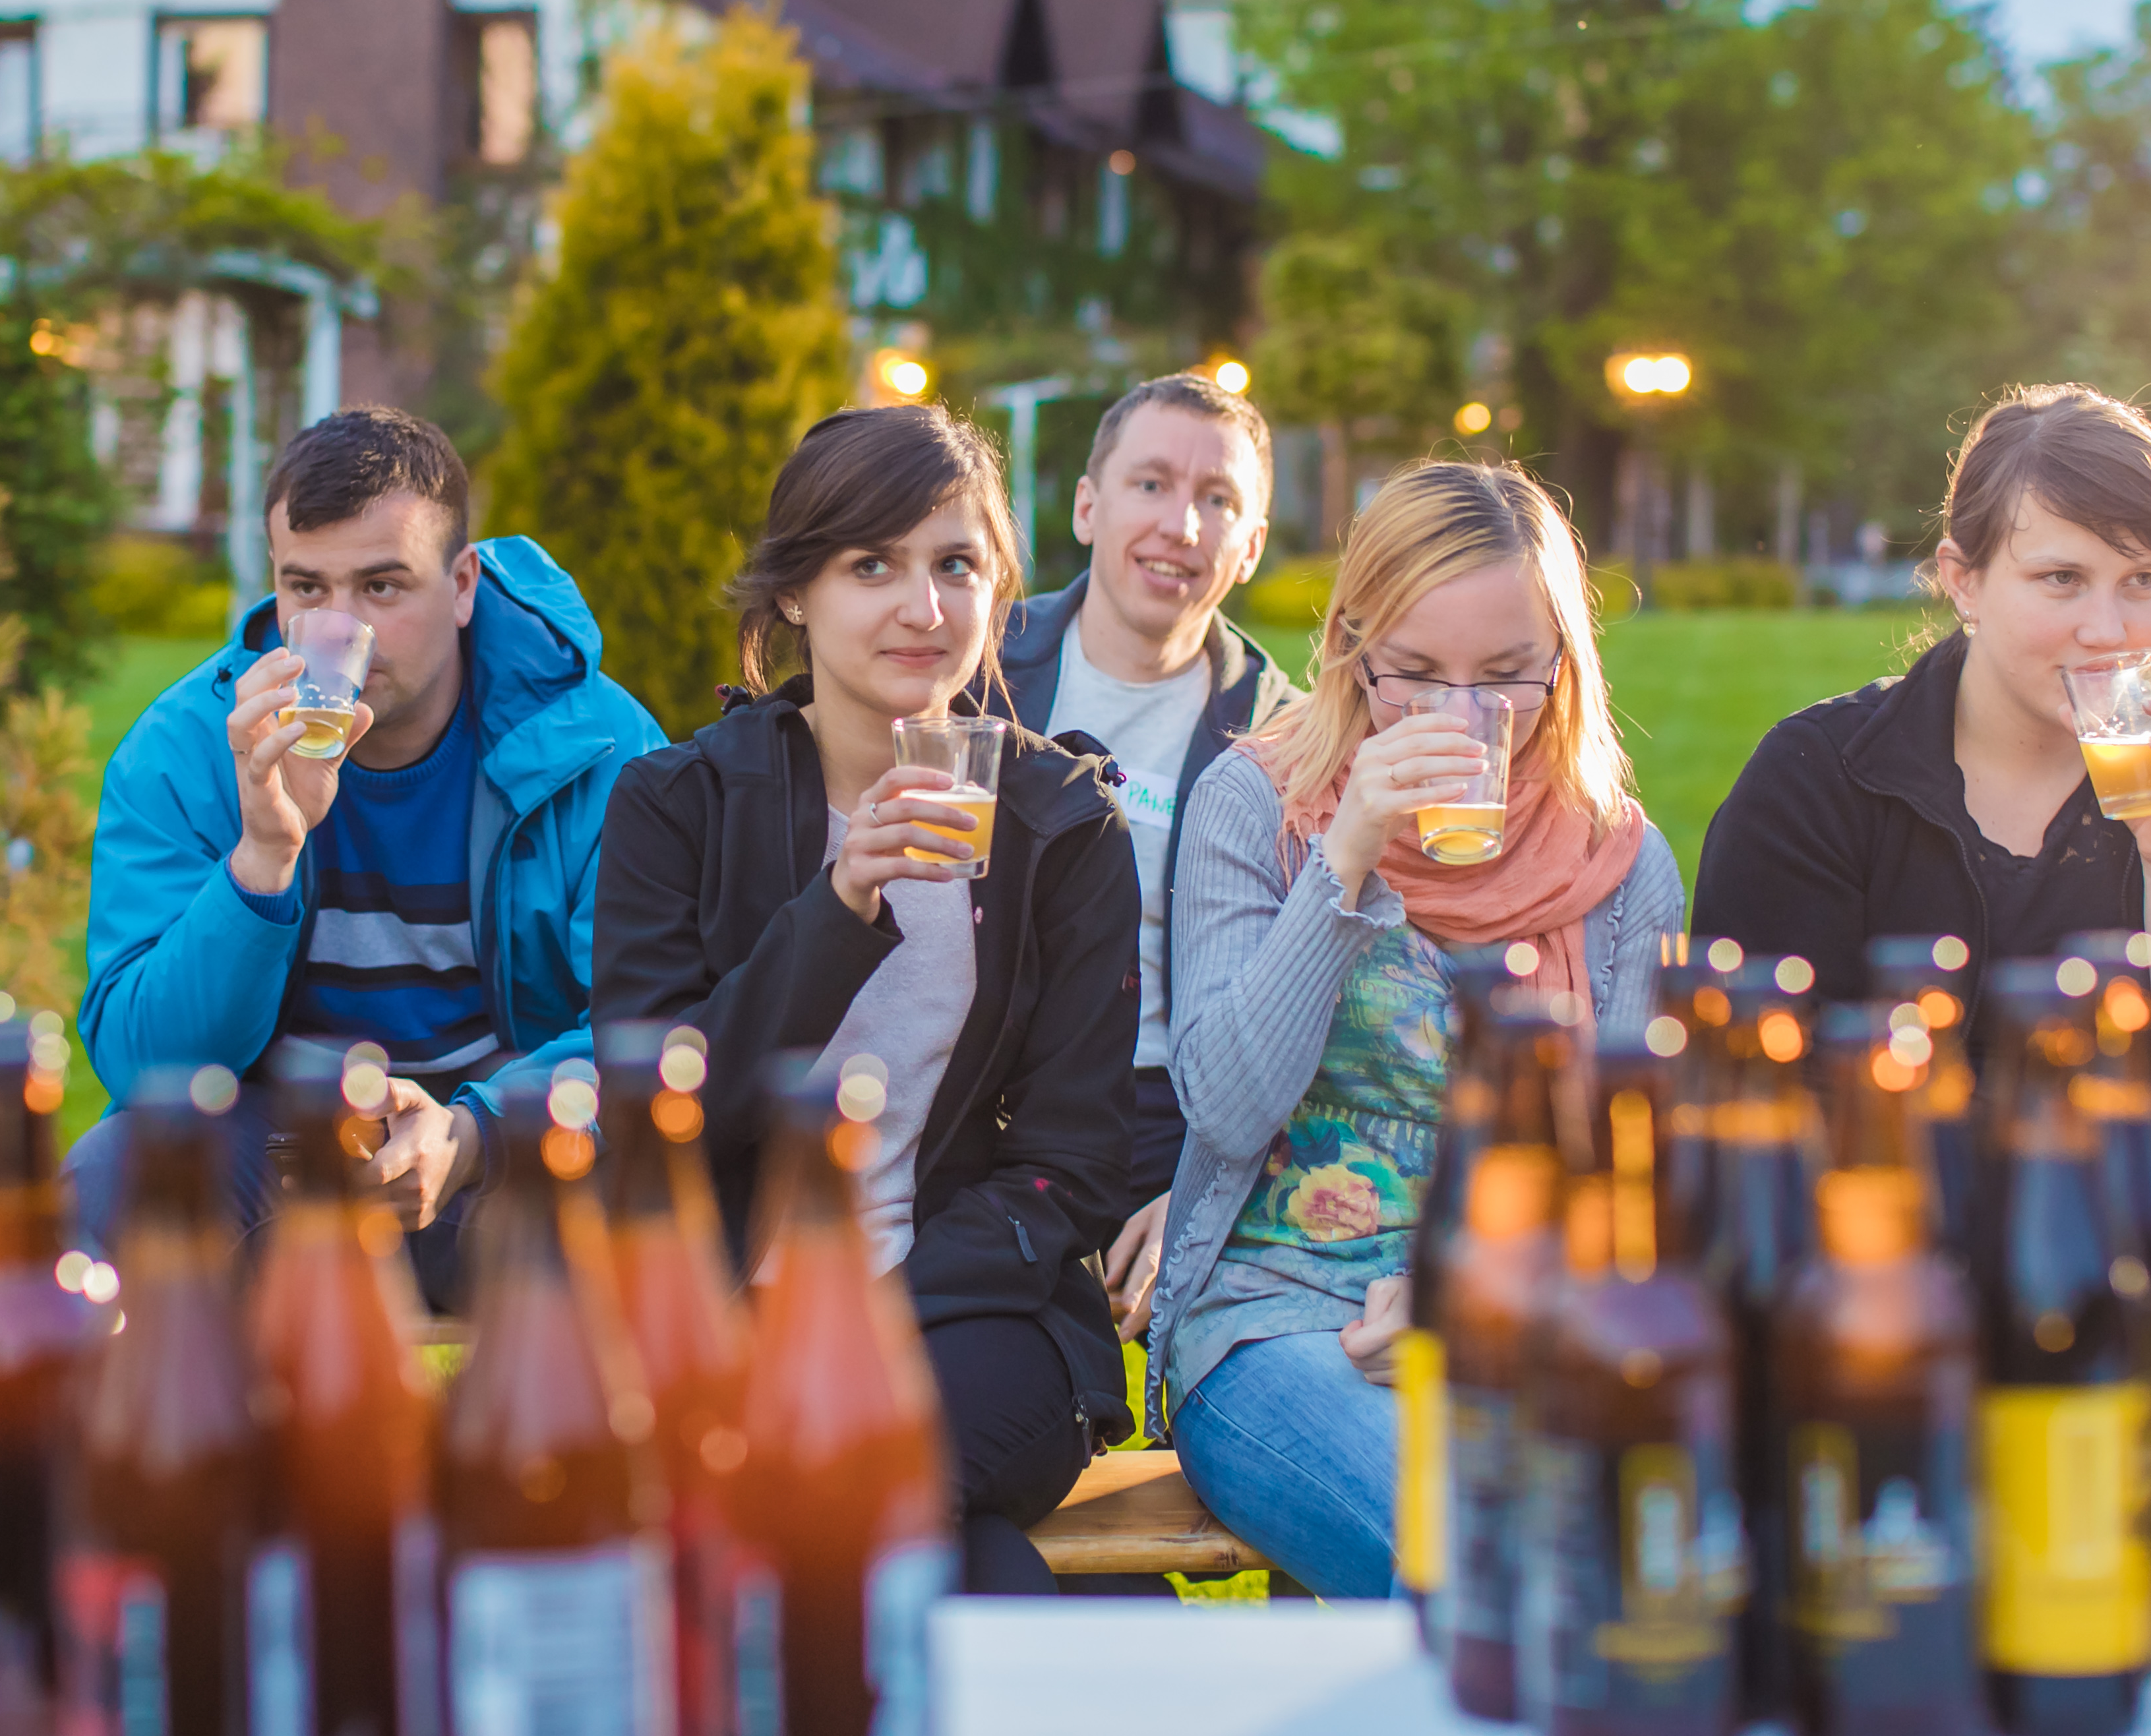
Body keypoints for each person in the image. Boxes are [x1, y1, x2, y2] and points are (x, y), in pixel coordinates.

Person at [590, 404, 1142, 1594]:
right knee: (952, 1553)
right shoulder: (676, 804)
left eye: (957, 563)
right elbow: (651, 1112)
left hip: (980, 1318)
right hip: (735, 1299)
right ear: (793, 593)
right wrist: (838, 907)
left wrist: (871, 1308)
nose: (924, 606)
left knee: (828, 1481)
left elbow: (1074, 1159)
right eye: (871, 564)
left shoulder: (1061, 822)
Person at [1153, 459, 1683, 1599]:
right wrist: (1342, 857)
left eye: (1506, 676)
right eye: (1417, 674)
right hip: (1281, 1315)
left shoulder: (1620, 862)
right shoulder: (1255, 805)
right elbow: (1227, 1102)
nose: (1462, 715)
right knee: (1481, 1556)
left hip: (1534, 1315)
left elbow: (1635, 1175)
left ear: (1562, 661)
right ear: (1351, 645)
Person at [69, 407, 666, 1290]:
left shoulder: (598, 745)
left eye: (383, 586)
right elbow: (144, 1064)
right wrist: (262, 862)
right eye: (306, 589)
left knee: (682, 1202)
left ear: (463, 583)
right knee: (111, 1180)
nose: (340, 629)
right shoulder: (188, 747)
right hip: (274, 1142)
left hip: (511, 1148)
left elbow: (646, 1021)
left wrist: (475, 1132)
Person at [1693, 382, 2151, 1216]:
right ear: (1964, 580)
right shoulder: (1818, 779)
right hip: (1884, 1259)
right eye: (2062, 578)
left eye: (2143, 579)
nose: (2110, 627)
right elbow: (1757, 1106)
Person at [996, 373, 1295, 1346]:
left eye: (1219, 501)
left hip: (1173, 1100)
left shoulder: (1283, 738)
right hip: (992, 1084)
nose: (1183, 525)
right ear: (1088, 505)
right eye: (1152, 485)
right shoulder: (981, 670)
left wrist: (1205, 1186)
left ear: (1249, 545)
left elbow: (1300, 997)